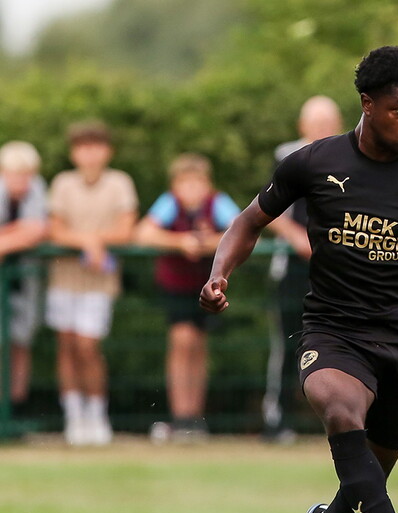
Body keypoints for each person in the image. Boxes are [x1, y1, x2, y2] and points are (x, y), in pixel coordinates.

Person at [200, 46, 398, 513]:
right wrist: (220, 274)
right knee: (340, 410)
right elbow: (248, 220)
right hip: (333, 331)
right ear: (367, 103)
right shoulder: (313, 163)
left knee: (361, 490)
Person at [135, 153, 240, 440]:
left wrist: (207, 243)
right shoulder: (169, 203)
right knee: (182, 343)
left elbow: (240, 230)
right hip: (176, 286)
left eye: (198, 182)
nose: (192, 189)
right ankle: (180, 416)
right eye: (185, 182)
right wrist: (179, 242)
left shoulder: (217, 202)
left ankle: (194, 418)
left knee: (199, 347)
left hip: (208, 285)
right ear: (175, 185)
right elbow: (143, 233)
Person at [47, 120, 138, 446]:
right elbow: (54, 229)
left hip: (99, 282)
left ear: (107, 151)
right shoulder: (62, 183)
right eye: (83, 147)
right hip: (64, 279)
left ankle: (97, 413)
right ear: (74, 153)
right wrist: (88, 241)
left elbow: (126, 230)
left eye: (96, 146)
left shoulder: (119, 183)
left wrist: (94, 241)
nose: (89, 154)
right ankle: (74, 416)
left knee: (88, 346)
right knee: (67, 345)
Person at [262, 95, 343, 443]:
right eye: (316, 122)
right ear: (302, 126)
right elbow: (266, 209)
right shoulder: (287, 157)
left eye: (329, 122)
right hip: (295, 271)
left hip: (340, 271)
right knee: (288, 344)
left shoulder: (352, 158)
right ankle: (276, 418)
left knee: (343, 345)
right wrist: (299, 239)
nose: (323, 129)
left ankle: (342, 419)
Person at [0, 141, 48, 413]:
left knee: (21, 342)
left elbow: (35, 229)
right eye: (15, 174)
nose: (22, 180)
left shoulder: (37, 189)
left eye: (26, 174)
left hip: (25, 282)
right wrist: (17, 234)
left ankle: (16, 406)